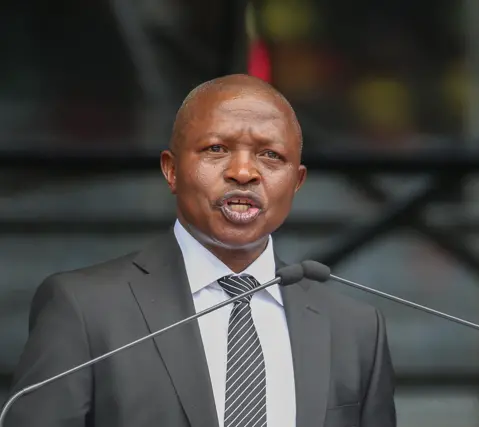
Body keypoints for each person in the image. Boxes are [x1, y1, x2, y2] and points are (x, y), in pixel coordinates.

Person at [6, 74, 396, 427]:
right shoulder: (84, 309)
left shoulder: (355, 330)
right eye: (216, 149)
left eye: (270, 155)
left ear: (297, 181)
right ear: (171, 170)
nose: (244, 172)